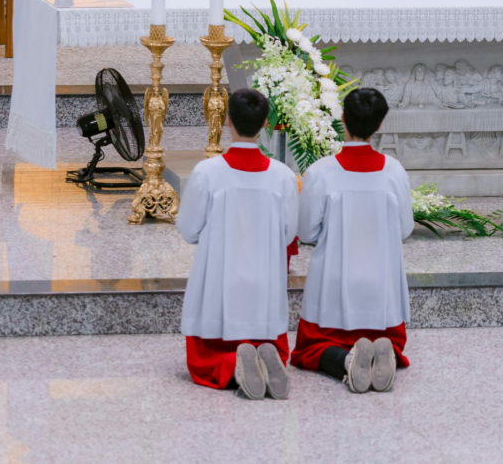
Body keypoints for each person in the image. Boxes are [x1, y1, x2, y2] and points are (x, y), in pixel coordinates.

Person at [176, 89, 300, 399]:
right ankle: (262, 355)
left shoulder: (208, 172)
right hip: (263, 286)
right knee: (265, 328)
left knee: (204, 361)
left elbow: (189, 230)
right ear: (265, 124)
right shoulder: (283, 177)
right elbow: (288, 236)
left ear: (227, 120)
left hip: (220, 283)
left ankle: (232, 363)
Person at [290, 88, 414, 393]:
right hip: (380, 295)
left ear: (342, 118)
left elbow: (305, 233)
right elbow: (405, 229)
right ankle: (383, 350)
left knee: (310, 349)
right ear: (380, 124)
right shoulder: (394, 172)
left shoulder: (321, 172)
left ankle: (345, 361)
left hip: (334, 290)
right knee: (387, 335)